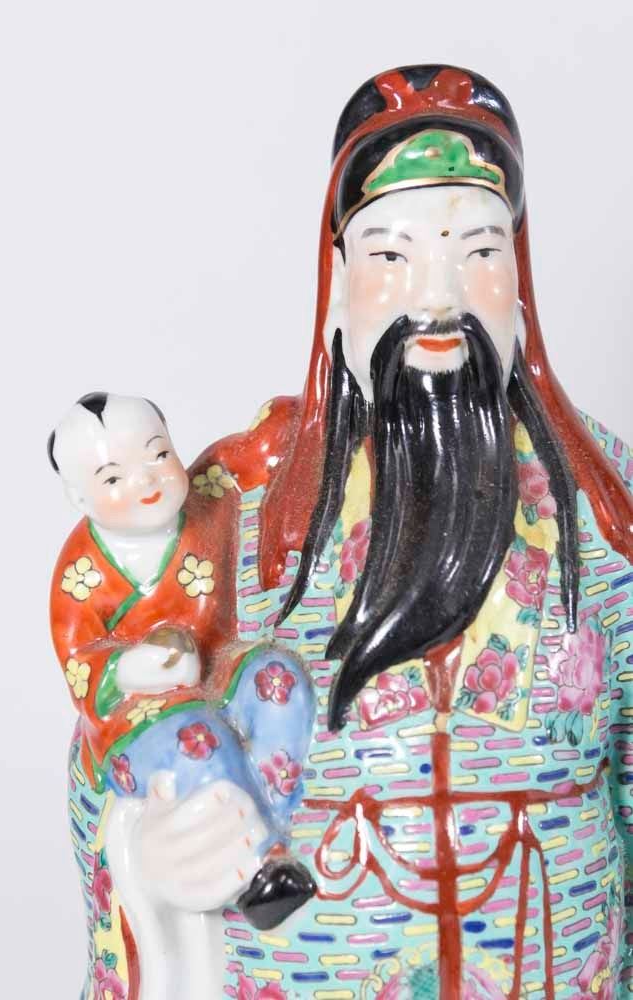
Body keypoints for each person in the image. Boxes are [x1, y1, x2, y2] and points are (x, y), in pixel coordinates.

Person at [58, 67, 633, 1000]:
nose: (436, 300)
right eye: (391, 255)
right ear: (335, 286)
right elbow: (115, 727)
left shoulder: (607, 515)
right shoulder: (231, 511)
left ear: (519, 284)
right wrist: (144, 852)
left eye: (478, 250)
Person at [49, 393, 315, 992]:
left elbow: (249, 454)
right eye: (113, 478)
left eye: (157, 456)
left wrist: (296, 422)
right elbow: (80, 663)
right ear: (79, 497)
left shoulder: (205, 501)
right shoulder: (80, 573)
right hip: (141, 717)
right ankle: (258, 869)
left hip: (216, 670)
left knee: (280, 683)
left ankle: (270, 822)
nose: (146, 482)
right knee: (202, 740)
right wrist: (136, 668)